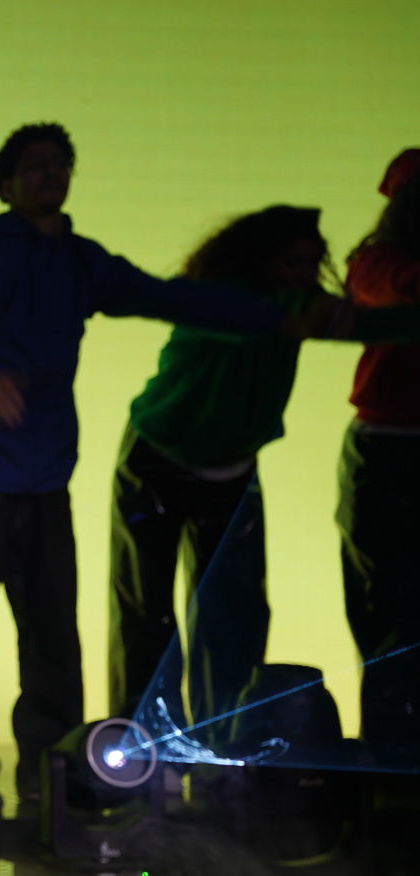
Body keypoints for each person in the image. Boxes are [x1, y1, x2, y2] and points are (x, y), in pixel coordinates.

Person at [0, 124, 287, 812]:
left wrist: (269, 316)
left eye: (60, 163)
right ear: (4, 184)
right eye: (35, 165)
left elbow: (166, 296)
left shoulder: (80, 262)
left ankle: (49, 769)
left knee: (52, 632)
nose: (50, 173)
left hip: (46, 480)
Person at [110, 206, 420, 735]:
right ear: (256, 261)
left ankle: (223, 749)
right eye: (291, 261)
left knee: (234, 617)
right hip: (157, 465)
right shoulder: (224, 303)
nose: (304, 273)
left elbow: (362, 324)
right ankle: (146, 748)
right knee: (149, 614)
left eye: (311, 263)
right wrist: (304, 314)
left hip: (232, 474)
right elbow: (267, 319)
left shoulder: (289, 310)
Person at [338, 149, 420, 760]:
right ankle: (392, 764)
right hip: (387, 450)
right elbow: (385, 287)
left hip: (384, 448)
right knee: (388, 611)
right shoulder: (376, 265)